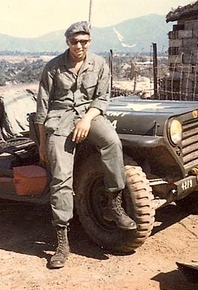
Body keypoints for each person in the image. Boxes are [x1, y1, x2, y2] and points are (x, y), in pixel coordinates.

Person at [35, 20, 137, 269]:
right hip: (58, 122)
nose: (79, 46)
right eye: (74, 41)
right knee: (61, 177)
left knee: (112, 142)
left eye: (84, 41)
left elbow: (102, 98)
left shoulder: (99, 64)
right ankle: (62, 241)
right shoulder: (53, 68)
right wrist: (41, 143)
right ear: (67, 42)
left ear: (89, 41)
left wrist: (86, 120)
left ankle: (114, 202)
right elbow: (42, 108)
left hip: (89, 116)